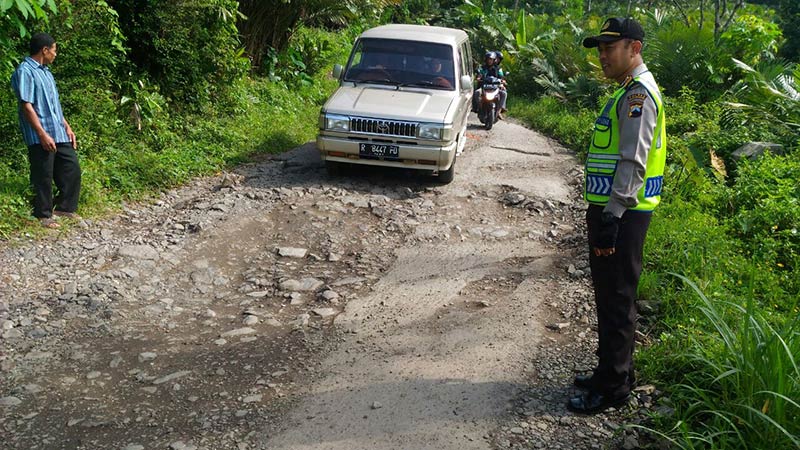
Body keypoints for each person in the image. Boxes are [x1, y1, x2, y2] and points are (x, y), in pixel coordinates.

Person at [567, 17, 666, 414]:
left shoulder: (637, 96)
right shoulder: (628, 91)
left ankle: (613, 387)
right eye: (600, 48)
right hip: (619, 211)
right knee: (611, 295)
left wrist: (611, 216)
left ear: (635, 48)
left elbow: (632, 161)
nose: (603, 55)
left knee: (617, 297)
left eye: (610, 47)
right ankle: (613, 370)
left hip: (621, 214)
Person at [11, 32, 80, 229]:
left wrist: (67, 126)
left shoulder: (46, 72)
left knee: (71, 168)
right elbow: (26, 106)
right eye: (54, 50)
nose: (55, 54)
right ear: (45, 50)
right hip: (40, 133)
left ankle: (65, 208)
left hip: (58, 131)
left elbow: (54, 104)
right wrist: (41, 133)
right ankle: (43, 214)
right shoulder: (25, 71)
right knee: (44, 174)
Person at [472, 51, 508, 118]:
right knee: (477, 93)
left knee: (504, 93)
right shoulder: (482, 67)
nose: (489, 61)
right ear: (486, 59)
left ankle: (499, 110)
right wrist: (479, 78)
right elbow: (480, 74)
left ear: (494, 60)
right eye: (488, 59)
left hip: (495, 87)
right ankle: (479, 108)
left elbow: (501, 76)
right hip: (484, 87)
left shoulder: (498, 68)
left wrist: (503, 81)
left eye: (491, 59)